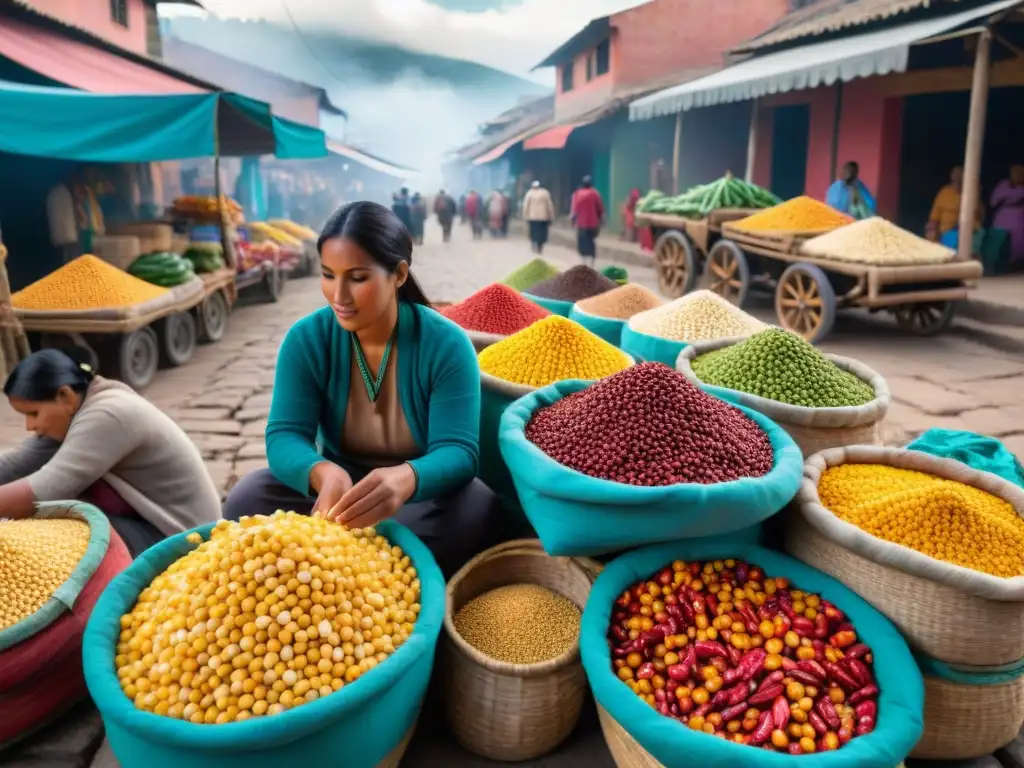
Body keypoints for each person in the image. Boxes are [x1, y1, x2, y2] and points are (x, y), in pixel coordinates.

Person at [221, 201, 510, 578]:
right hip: (338, 491)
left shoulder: (446, 344)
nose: (339, 295)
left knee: (477, 508)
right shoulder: (307, 339)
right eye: (328, 275)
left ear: (399, 274)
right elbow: (285, 434)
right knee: (246, 498)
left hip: (418, 494)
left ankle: (359, 561)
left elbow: (458, 452)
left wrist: (406, 479)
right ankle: (375, 561)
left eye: (357, 278)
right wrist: (323, 472)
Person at [0, 350, 221, 556]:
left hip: (185, 538)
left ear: (65, 395)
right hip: (142, 522)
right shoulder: (77, 410)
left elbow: (44, 490)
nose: (29, 425)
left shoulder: (109, 415)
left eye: (34, 413)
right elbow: (16, 463)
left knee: (51, 530)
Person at [927, 165, 983, 243]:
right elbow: (934, 216)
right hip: (944, 231)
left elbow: (977, 215)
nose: (956, 178)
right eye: (955, 175)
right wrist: (932, 228)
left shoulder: (971, 194)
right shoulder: (944, 192)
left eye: (960, 176)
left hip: (964, 231)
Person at [991, 164, 1024, 267]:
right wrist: (1010, 195)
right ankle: (998, 264)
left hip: (1020, 215)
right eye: (1014, 173)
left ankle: (1016, 264)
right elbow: (993, 201)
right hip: (1004, 215)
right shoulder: (1004, 184)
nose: (1016, 175)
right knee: (999, 239)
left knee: (1018, 241)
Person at [571, 175, 604, 265]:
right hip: (593, 223)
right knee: (591, 240)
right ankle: (592, 258)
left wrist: (573, 220)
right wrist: (601, 219)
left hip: (581, 223)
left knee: (582, 240)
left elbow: (575, 209)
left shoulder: (578, 193)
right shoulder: (595, 194)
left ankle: (583, 258)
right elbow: (600, 208)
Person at [522, 181, 554, 254]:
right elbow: (550, 206)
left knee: (533, 232)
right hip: (543, 217)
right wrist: (551, 216)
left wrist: (525, 216)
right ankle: (540, 247)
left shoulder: (529, 193)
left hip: (532, 217)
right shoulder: (545, 193)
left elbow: (526, 206)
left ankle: (533, 243)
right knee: (542, 233)